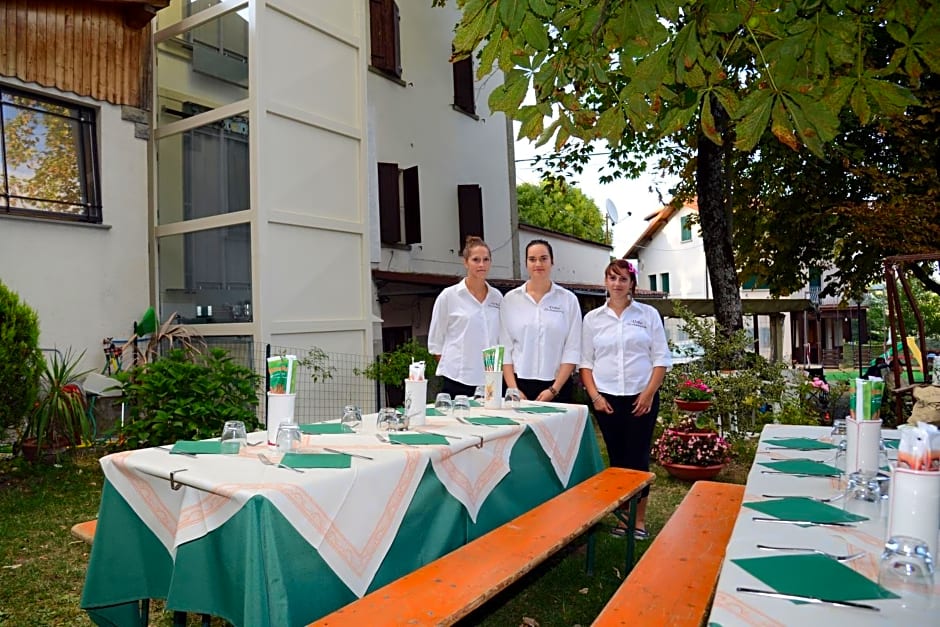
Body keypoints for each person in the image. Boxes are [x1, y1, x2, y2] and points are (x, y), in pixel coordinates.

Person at [579, 259, 671, 540]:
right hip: (606, 400)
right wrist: (594, 396)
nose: (617, 284)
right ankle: (622, 519)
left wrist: (648, 393)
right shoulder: (592, 320)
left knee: (638, 458)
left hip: (641, 398)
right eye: (611, 278)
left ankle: (639, 521)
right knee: (618, 460)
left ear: (632, 283)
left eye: (622, 279)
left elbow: (661, 359)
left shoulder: (648, 315)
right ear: (605, 282)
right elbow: (585, 363)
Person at [499, 239, 581, 403]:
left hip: (557, 387)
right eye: (532, 259)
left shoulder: (568, 300)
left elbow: (572, 349)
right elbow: (504, 348)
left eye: (544, 258)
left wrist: (554, 389)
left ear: (552, 261)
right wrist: (513, 389)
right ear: (526, 263)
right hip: (517, 386)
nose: (538, 264)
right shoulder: (510, 300)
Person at [428, 236, 502, 398]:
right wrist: (456, 367)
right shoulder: (449, 296)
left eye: (486, 259)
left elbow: (500, 338)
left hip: (491, 379)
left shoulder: (497, 298)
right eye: (476, 260)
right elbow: (435, 342)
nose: (481, 264)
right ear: (466, 262)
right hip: (458, 379)